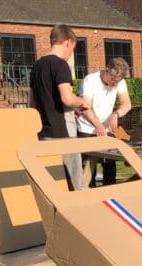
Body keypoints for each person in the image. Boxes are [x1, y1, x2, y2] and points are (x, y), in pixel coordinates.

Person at [30, 24, 87, 190]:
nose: (71, 54)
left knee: (52, 186)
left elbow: (32, 103)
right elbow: (67, 98)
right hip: (64, 134)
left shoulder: (36, 66)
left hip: (43, 133)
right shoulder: (61, 65)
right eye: (72, 49)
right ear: (68, 42)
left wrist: (68, 112)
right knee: (76, 186)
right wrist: (82, 102)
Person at [77, 57, 132, 186]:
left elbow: (127, 103)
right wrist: (97, 125)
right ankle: (88, 194)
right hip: (87, 129)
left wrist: (116, 114)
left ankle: (110, 194)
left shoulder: (120, 81)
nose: (114, 84)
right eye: (113, 80)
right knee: (89, 168)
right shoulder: (90, 80)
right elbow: (85, 107)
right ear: (107, 70)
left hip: (106, 130)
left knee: (110, 165)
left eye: (117, 82)